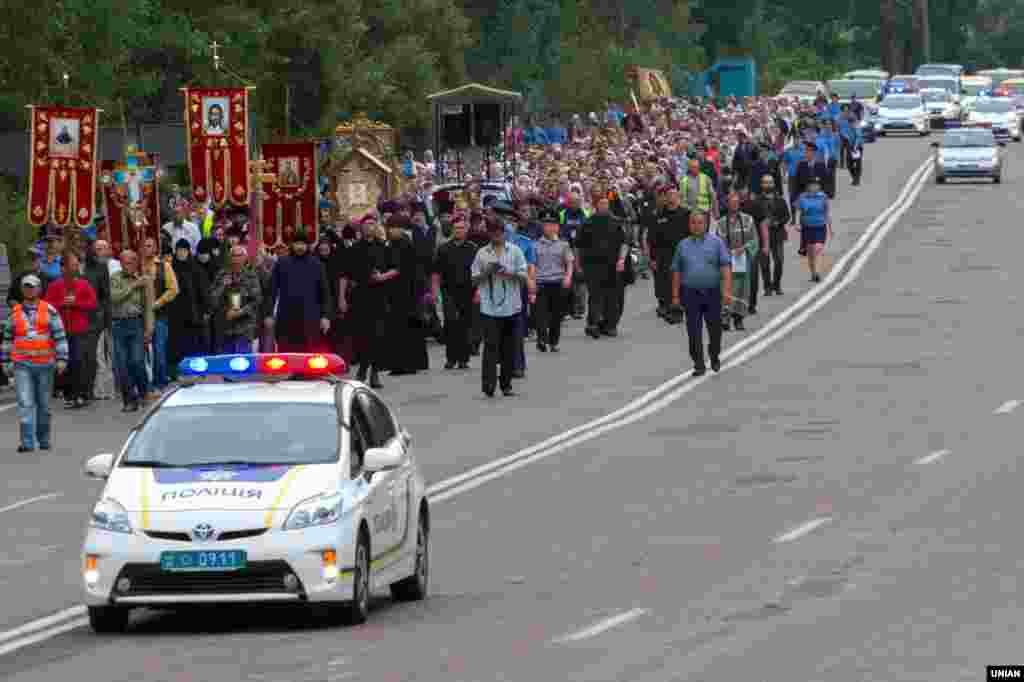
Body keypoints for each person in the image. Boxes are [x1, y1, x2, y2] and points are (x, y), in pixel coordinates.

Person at [1, 275, 68, 451]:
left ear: (39, 289)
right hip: (22, 365)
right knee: (25, 403)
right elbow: (7, 339)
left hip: (45, 364)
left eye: (33, 286)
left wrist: (62, 359)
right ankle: (27, 443)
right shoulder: (14, 313)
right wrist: (5, 362)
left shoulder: (50, 310)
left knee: (44, 406)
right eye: (26, 287)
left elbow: (60, 336)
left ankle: (44, 440)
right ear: (22, 290)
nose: (29, 290)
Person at [471, 218, 528, 398]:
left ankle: (506, 384)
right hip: (489, 308)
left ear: (505, 232)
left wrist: (509, 273)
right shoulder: (482, 253)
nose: (497, 234)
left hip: (512, 307)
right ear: (489, 233)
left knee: (509, 348)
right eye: (493, 231)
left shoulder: (515, 251)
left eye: (500, 231)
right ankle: (488, 385)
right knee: (490, 347)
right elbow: (473, 279)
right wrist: (487, 272)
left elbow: (524, 276)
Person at [671, 212, 732, 376]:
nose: (696, 226)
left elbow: (725, 267)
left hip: (712, 292)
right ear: (689, 225)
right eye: (693, 223)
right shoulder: (682, 245)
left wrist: (727, 290)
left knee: (715, 329)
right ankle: (698, 363)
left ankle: (714, 355)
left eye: (700, 223)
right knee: (693, 330)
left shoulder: (716, 243)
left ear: (706, 224)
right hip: (690, 294)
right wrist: (675, 296)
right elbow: (676, 271)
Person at [44, 252, 97, 408]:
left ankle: (82, 394)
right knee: (65, 363)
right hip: (61, 330)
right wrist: (62, 303)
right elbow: (47, 306)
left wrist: (76, 303)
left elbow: (93, 304)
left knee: (80, 361)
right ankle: (70, 395)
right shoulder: (55, 286)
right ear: (64, 268)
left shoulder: (84, 284)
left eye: (76, 264)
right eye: (73, 264)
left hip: (80, 329)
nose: (76, 267)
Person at [268, 230, 332, 353]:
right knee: (288, 355)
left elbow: (324, 293)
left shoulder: (316, 264)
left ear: (308, 245)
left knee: (308, 357)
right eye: (297, 243)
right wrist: (269, 314)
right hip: (287, 318)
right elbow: (272, 291)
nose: (300, 247)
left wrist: (326, 316)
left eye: (303, 243)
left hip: (310, 318)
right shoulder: (282, 263)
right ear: (292, 244)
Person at [576, 196, 627, 338]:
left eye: (606, 203)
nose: (604, 206)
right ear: (595, 205)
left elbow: (624, 243)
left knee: (612, 296)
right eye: (601, 203)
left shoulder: (616, 222)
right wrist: (578, 265)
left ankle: (610, 325)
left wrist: (622, 259)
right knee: (595, 295)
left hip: (612, 265)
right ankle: (593, 324)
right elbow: (578, 246)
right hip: (592, 265)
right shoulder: (587, 223)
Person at [432, 213, 478, 369]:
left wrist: (478, 291)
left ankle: (463, 358)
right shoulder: (444, 248)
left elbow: (478, 272)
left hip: (468, 290)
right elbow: (436, 272)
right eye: (456, 228)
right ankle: (451, 358)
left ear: (466, 230)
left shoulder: (472, 248)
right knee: (451, 323)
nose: (459, 231)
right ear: (452, 230)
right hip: (448, 290)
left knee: (465, 324)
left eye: (462, 228)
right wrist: (434, 291)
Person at [109, 250, 151, 412]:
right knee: (122, 365)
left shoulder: (143, 280)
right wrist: (134, 286)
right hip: (119, 324)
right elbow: (114, 297)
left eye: (130, 262)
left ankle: (143, 392)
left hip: (136, 324)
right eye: (124, 262)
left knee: (137, 361)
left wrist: (149, 328)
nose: (127, 265)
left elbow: (148, 306)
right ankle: (129, 400)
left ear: (135, 263)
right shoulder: (115, 278)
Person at [532, 207, 574, 352]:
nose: (549, 228)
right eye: (546, 225)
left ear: (557, 227)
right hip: (541, 283)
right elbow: (532, 266)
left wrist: (568, 277)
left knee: (556, 315)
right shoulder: (535, 245)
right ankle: (542, 339)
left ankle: (554, 341)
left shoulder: (563, 244)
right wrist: (532, 282)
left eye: (552, 225)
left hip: (558, 282)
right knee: (540, 315)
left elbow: (569, 263)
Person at [715, 192, 757, 332]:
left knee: (742, 289)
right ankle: (725, 319)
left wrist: (743, 249)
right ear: (727, 204)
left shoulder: (748, 220)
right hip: (727, 261)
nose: (734, 205)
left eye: (736, 202)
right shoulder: (721, 223)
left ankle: (739, 319)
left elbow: (754, 240)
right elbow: (718, 243)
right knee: (726, 289)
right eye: (731, 202)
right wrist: (728, 253)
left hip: (743, 260)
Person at [646, 187, 688, 323]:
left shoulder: (686, 214)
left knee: (682, 283)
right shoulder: (658, 215)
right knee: (665, 283)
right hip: (663, 254)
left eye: (674, 195)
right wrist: (652, 258)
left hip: (682, 254)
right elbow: (651, 239)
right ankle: (668, 308)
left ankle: (679, 309)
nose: (671, 198)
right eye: (668, 195)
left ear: (678, 197)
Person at [212, 245, 263, 354]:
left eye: (239, 256)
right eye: (233, 256)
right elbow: (212, 299)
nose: (236, 259)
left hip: (245, 328)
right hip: (225, 327)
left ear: (245, 257)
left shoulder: (251, 276)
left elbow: (257, 300)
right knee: (226, 365)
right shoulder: (222, 275)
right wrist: (223, 286)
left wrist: (240, 312)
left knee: (243, 364)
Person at [795, 176, 833, 283]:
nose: (816, 187)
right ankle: (813, 273)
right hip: (807, 227)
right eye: (813, 185)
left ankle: (817, 272)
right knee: (811, 252)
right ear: (808, 186)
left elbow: (827, 212)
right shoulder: (802, 197)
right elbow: (798, 211)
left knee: (818, 248)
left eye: (817, 185)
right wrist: (797, 224)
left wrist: (830, 227)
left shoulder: (823, 197)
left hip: (820, 226)